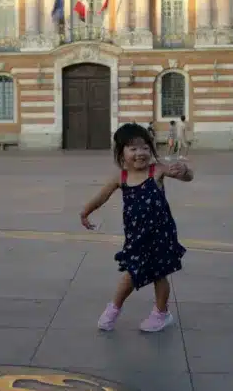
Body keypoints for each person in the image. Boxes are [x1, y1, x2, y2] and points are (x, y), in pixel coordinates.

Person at [80, 123, 193, 333]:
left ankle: (160, 314)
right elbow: (101, 197)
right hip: (136, 237)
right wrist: (85, 212)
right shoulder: (121, 177)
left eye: (145, 148)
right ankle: (115, 308)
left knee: (159, 274)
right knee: (131, 273)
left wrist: (184, 170)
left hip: (161, 235)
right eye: (133, 149)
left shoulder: (156, 170)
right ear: (121, 153)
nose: (140, 153)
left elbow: (186, 177)